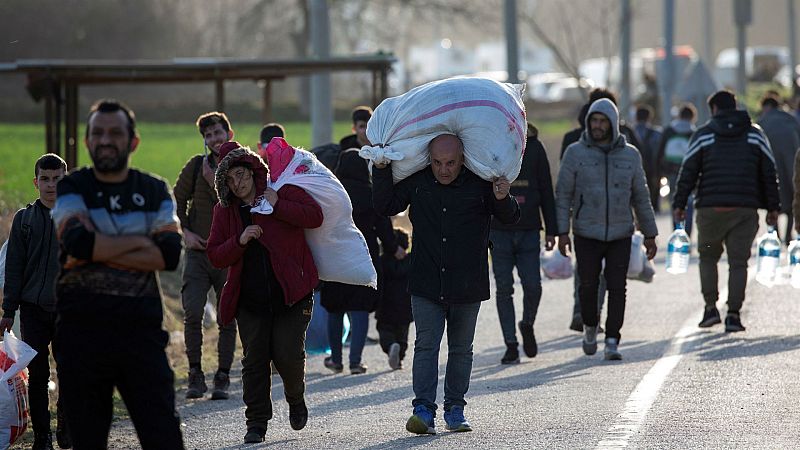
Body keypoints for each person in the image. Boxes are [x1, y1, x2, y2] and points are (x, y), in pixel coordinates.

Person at [51, 99, 184, 448]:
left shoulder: (153, 189)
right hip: (81, 337)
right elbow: (76, 242)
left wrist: (100, 245)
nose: (105, 140)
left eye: (114, 133)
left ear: (133, 141)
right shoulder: (72, 187)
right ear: (87, 142)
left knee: (164, 438)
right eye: (97, 133)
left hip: (140, 336)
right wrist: (142, 241)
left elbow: (169, 254)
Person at [372, 134, 520, 434]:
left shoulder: (480, 182)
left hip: (467, 282)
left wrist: (504, 197)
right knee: (426, 346)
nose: (444, 169)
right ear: (429, 159)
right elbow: (386, 204)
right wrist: (382, 168)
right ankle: (423, 410)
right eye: (438, 163)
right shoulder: (419, 181)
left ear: (462, 158)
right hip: (426, 280)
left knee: (461, 349)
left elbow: (510, 217)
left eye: (451, 163)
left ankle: (455, 408)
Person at [206, 141, 322, 444]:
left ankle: (295, 399)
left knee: (287, 355)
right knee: (254, 361)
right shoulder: (224, 211)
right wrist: (240, 240)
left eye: (242, 174)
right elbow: (215, 255)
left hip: (292, 293)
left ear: (253, 170)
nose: (238, 183)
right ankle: (256, 423)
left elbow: (315, 216)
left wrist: (279, 204)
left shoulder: (279, 190)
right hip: (251, 300)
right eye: (230, 179)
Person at [556, 98, 658, 361]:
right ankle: (590, 326)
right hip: (586, 232)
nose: (598, 126)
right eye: (594, 121)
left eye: (603, 121)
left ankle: (613, 339)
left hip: (621, 233)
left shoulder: (630, 155)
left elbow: (641, 196)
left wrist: (650, 234)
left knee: (617, 287)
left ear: (612, 124)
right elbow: (563, 194)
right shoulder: (575, 153)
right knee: (587, 285)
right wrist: (561, 231)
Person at [673, 90, 780, 332]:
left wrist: (679, 204)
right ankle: (733, 314)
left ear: (714, 110)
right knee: (739, 262)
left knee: (708, 257)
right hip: (744, 212)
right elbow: (769, 172)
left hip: (711, 213)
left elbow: (687, 171)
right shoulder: (755, 135)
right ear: (735, 107)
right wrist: (773, 208)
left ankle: (710, 308)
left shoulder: (703, 135)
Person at [1, 154, 69, 450]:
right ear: (36, 182)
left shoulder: (78, 218)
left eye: (58, 179)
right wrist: (8, 311)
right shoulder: (24, 220)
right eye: (45, 179)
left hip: (70, 310)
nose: (51, 185)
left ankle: (67, 426)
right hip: (33, 309)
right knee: (38, 376)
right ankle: (43, 437)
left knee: (70, 371)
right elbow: (14, 267)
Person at [562, 88, 642, 332]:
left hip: (613, 223)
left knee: (593, 276)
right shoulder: (576, 144)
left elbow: (638, 180)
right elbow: (564, 185)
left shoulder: (623, 144)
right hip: (588, 221)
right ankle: (589, 316)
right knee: (594, 277)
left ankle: (588, 316)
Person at [173, 111, 238, 400]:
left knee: (227, 316)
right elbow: (175, 200)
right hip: (198, 253)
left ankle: (222, 376)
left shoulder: (243, 164)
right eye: (208, 135)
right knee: (193, 313)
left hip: (229, 253)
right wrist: (184, 231)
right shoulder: (195, 166)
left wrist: (217, 182)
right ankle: (195, 375)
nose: (214, 139)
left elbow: (249, 201)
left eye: (218, 133)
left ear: (229, 133)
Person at [321, 146, 395, 375]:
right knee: (360, 308)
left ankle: (336, 359)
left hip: (335, 256)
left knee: (335, 309)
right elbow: (383, 226)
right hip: (364, 255)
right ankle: (355, 361)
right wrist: (394, 248)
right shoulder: (371, 193)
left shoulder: (332, 193)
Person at [490, 122, 556, 364]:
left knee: (533, 285)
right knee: (504, 289)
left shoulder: (535, 148)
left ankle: (527, 323)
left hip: (529, 229)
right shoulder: (490, 146)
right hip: (498, 230)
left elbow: (547, 190)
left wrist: (553, 229)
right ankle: (510, 343)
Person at [758, 94, 800, 245]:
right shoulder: (791, 121)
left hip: (770, 171)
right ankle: (788, 235)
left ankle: (774, 233)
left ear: (765, 107)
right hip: (792, 168)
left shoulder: (761, 123)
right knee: (791, 201)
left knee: (772, 202)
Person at [375, 228, 413, 370]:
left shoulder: (382, 261)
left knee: (384, 330)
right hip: (406, 305)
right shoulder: (411, 261)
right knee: (403, 334)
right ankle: (399, 358)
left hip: (386, 304)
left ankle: (390, 345)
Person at [658, 103, 697, 236]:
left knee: (674, 203)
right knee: (689, 202)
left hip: (672, 171)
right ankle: (687, 234)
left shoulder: (669, 130)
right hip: (689, 172)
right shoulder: (693, 132)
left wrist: (662, 171)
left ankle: (676, 232)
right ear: (692, 117)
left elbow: (660, 152)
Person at [633, 104, 663, 213]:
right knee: (652, 199)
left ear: (636, 117)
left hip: (635, 169)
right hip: (653, 170)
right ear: (649, 117)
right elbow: (660, 154)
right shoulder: (657, 134)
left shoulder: (630, 132)